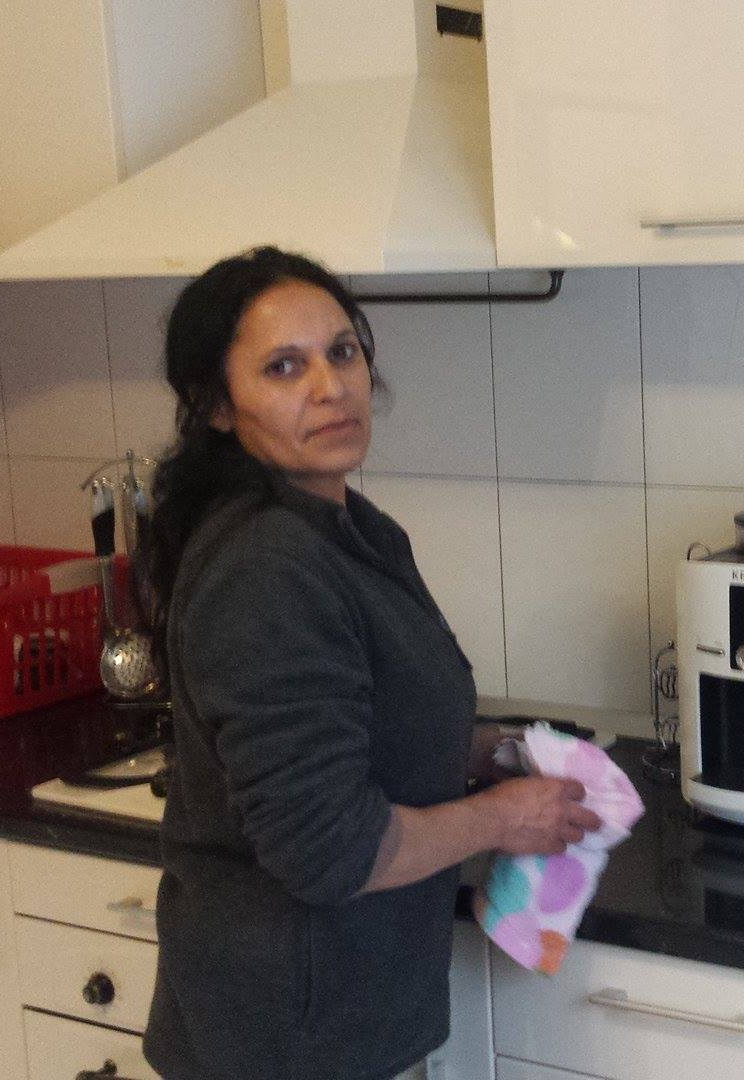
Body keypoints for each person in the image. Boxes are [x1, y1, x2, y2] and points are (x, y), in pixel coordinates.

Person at [139, 246, 601, 1080]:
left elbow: (361, 720)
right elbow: (333, 851)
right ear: (217, 405)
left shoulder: (348, 530)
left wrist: (483, 750)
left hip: (336, 1019)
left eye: (342, 352)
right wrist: (501, 819)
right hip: (288, 1040)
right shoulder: (268, 567)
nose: (331, 386)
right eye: (284, 367)